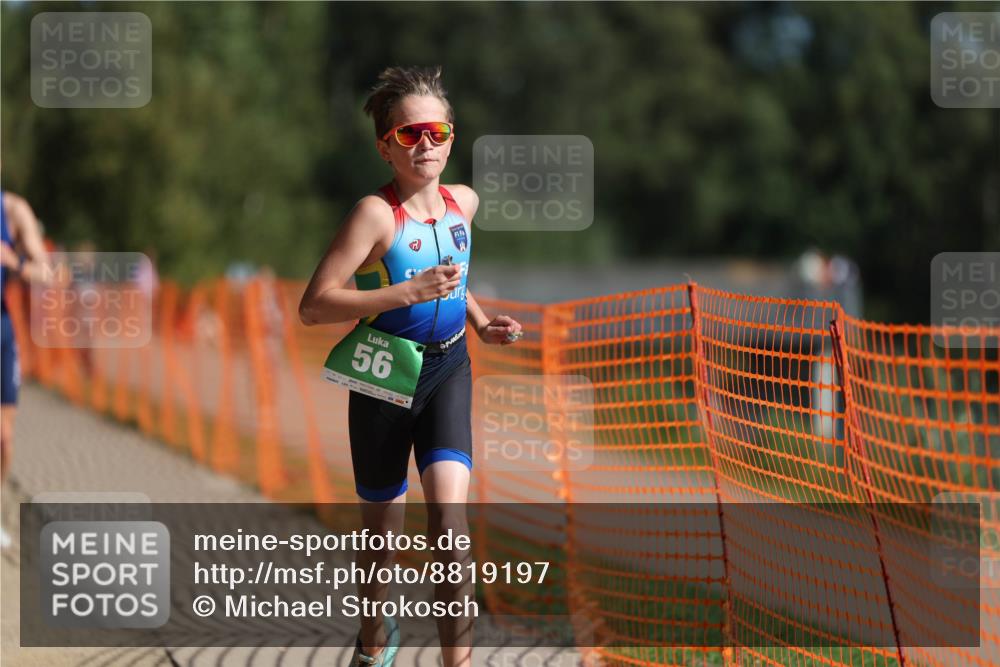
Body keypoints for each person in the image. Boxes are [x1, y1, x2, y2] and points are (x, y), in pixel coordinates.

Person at [299, 65, 522, 667]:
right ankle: (374, 643)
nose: (426, 144)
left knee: (450, 530)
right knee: (382, 549)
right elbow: (313, 306)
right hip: (382, 377)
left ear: (452, 137)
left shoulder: (464, 204)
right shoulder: (374, 215)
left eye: (437, 131)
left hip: (449, 370)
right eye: (408, 134)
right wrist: (405, 294)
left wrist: (480, 321)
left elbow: (456, 278)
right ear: (385, 145)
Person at [0, 187, 49, 549]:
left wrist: (14, 261)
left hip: (1, 331)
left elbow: (46, 273)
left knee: (3, 437)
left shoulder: (14, 209)